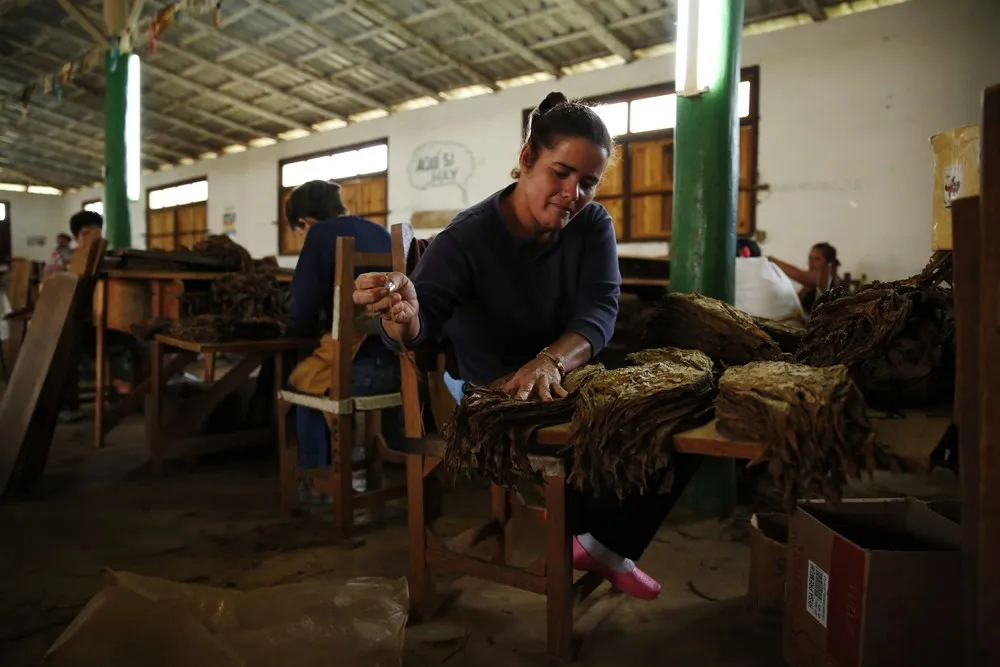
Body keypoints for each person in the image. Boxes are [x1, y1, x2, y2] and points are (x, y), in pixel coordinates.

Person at [354, 92, 704, 601]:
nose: (573, 193)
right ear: (525, 159)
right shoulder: (465, 239)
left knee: (690, 401)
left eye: (588, 182)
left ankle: (600, 542)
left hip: (566, 375)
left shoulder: (591, 224)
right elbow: (416, 325)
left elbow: (600, 312)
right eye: (560, 173)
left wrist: (550, 360)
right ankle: (601, 541)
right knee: (607, 435)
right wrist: (404, 317)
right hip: (495, 393)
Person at [282, 179, 403, 505]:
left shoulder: (320, 235)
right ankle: (397, 465)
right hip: (398, 370)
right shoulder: (381, 233)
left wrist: (294, 327)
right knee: (321, 371)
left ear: (305, 222)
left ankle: (320, 481)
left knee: (301, 384)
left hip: (356, 373)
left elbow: (302, 307)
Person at [768, 242, 841, 315]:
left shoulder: (828, 276)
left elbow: (799, 275)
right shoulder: (811, 282)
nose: (811, 262)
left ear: (828, 262)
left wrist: (772, 260)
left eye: (816, 259)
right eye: (810, 258)